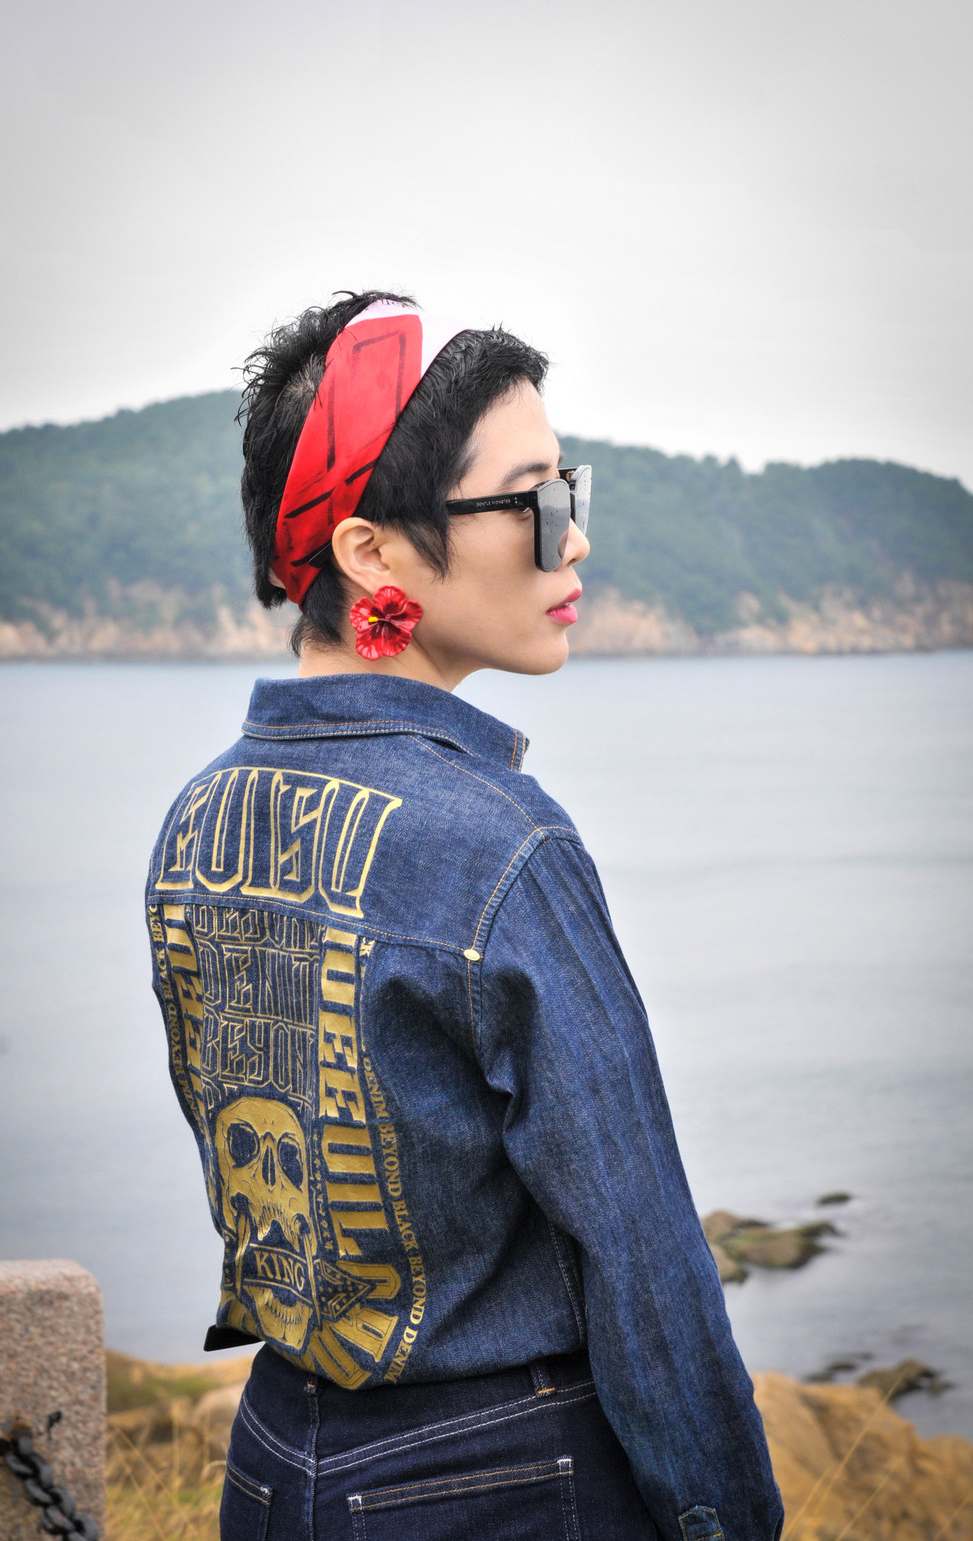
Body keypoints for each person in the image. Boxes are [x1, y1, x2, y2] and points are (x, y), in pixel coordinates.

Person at [146, 291, 784, 1540]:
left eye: (570, 492)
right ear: (372, 552)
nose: (573, 539)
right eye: (534, 500)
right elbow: (641, 1255)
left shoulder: (195, 820)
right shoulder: (502, 847)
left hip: (273, 1463)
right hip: (506, 1477)